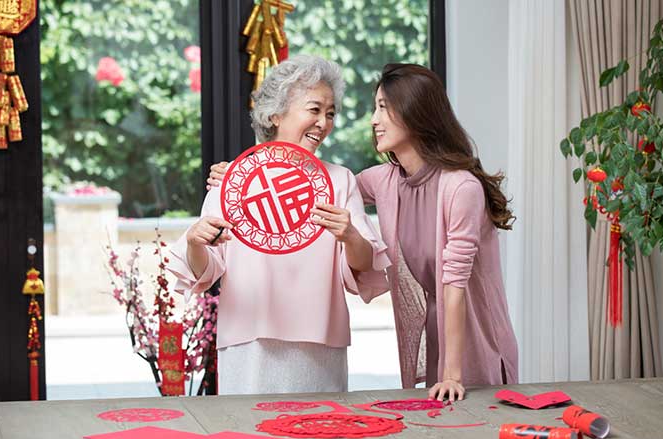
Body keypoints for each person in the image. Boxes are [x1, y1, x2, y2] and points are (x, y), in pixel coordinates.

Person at [209, 63, 519, 401]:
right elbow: (314, 188)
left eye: (383, 108)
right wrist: (249, 177)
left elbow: (454, 285)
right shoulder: (384, 181)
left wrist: (452, 375)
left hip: (475, 339)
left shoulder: (461, 188)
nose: (373, 120)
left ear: (416, 113)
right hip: (438, 341)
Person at [168, 55, 390, 395]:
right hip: (248, 340)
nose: (324, 123)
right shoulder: (235, 179)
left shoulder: (339, 180)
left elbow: (362, 266)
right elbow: (207, 271)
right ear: (275, 113)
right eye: (313, 110)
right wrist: (196, 243)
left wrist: (350, 235)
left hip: (319, 343)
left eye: (330, 113)